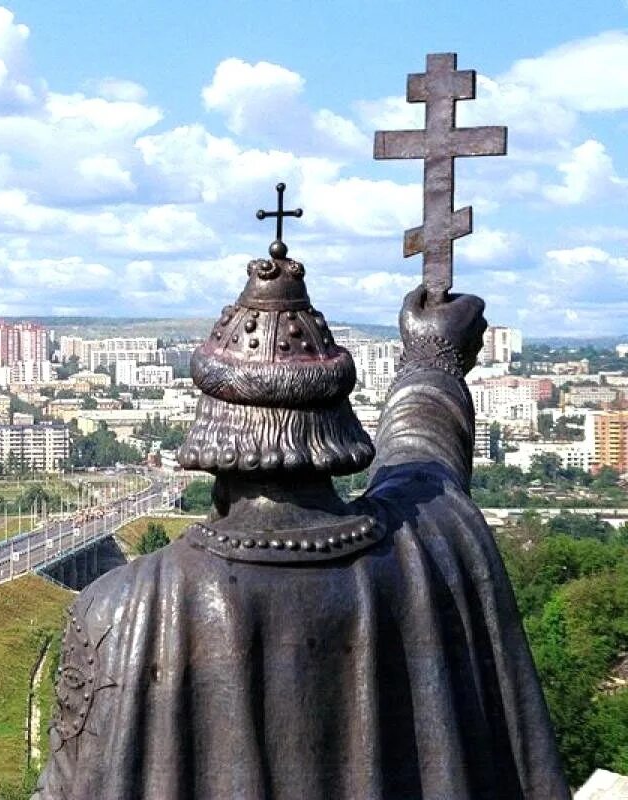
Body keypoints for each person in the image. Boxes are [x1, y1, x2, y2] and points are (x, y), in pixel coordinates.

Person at [33, 253, 569, 799]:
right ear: (332, 424)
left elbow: (62, 790)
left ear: (212, 433)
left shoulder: (119, 606)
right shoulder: (423, 551)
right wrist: (432, 360)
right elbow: (422, 466)